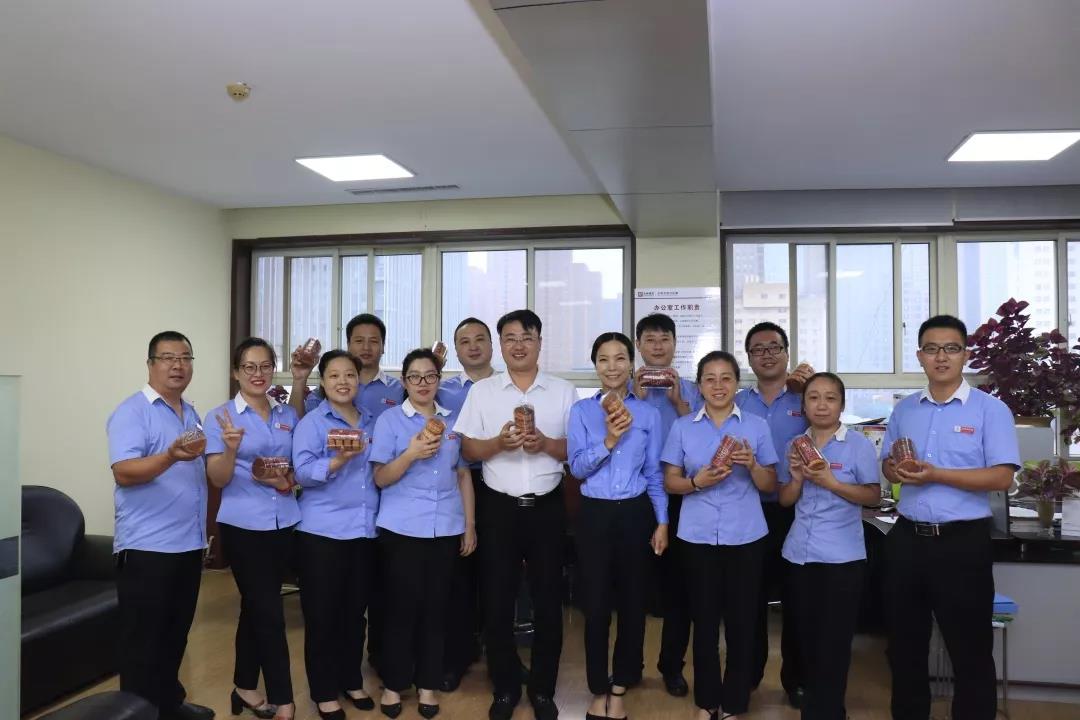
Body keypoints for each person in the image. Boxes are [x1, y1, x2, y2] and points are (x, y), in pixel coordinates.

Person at [882, 315, 1019, 720]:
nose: (941, 357)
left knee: (970, 650)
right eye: (931, 348)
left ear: (965, 355)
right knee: (904, 647)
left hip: (962, 544)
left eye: (951, 348)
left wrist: (936, 474)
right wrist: (894, 470)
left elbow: (1002, 477)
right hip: (907, 539)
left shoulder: (990, 410)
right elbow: (887, 465)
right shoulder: (905, 409)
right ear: (919, 356)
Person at [454, 309, 577, 720]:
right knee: (497, 601)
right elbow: (468, 449)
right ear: (501, 345)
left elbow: (576, 450)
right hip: (498, 508)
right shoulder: (483, 392)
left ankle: (542, 689)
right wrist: (497, 445)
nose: (518, 345)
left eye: (526, 337)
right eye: (510, 338)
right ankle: (505, 687)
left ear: (540, 342)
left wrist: (546, 444)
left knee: (548, 600)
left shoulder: (563, 391)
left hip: (547, 507)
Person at [661, 350, 778, 720]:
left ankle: (735, 703)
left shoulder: (755, 426)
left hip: (746, 537)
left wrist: (753, 465)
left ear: (736, 383)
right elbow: (670, 481)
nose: (718, 386)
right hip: (696, 537)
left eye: (726, 378)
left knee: (742, 623)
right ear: (699, 386)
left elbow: (770, 484)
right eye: (709, 379)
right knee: (704, 622)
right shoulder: (683, 427)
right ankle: (707, 700)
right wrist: (697, 482)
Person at [106, 330, 214, 720]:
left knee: (174, 635)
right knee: (142, 644)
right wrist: (169, 455)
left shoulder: (190, 413)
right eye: (168, 358)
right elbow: (124, 472)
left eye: (185, 358)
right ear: (151, 364)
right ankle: (137, 713)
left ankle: (168, 705)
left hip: (187, 544)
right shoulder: (132, 411)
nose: (177, 365)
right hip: (148, 547)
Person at [370, 348, 477, 719]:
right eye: (414, 377)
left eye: (430, 376)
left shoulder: (453, 422)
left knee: (436, 610)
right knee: (401, 611)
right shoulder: (389, 421)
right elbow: (380, 477)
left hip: (445, 527)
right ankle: (394, 684)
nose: (422, 383)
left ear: (439, 380)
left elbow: (462, 475)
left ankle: (428, 684)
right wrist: (411, 453)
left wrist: (469, 525)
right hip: (401, 528)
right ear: (404, 381)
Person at [568, 332, 668, 720]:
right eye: (604, 359)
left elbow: (654, 473)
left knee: (632, 603)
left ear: (631, 364)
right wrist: (609, 440)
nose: (612, 367)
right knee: (595, 606)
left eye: (620, 358)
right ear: (595, 365)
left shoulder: (648, 414)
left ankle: (621, 685)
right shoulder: (581, 412)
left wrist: (662, 521)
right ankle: (598, 688)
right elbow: (577, 468)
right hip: (594, 514)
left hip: (635, 513)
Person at [204, 337, 299, 720]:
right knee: (270, 612)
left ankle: (244, 686)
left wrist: (285, 480)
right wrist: (230, 449)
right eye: (249, 367)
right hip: (244, 526)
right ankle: (284, 699)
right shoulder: (221, 416)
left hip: (285, 521)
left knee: (256, 606)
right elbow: (218, 478)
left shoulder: (286, 414)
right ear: (236, 372)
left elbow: (295, 467)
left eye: (265, 366)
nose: (258, 374)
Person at [776, 372, 880, 720]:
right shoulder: (795, 444)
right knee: (803, 638)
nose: (821, 405)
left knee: (834, 643)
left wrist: (831, 482)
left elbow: (873, 496)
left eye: (830, 398)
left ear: (842, 405)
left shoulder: (858, 445)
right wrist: (797, 479)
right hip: (799, 555)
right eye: (814, 397)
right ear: (804, 405)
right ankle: (811, 707)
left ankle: (832, 711)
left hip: (842, 559)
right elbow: (786, 500)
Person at [292, 350, 380, 720]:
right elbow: (301, 472)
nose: (343, 382)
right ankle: (324, 691)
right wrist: (339, 459)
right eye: (334, 376)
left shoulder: (373, 420)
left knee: (355, 614)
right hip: (322, 532)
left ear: (359, 380)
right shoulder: (312, 423)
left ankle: (351, 679)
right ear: (323, 382)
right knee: (322, 615)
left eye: (349, 375)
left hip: (365, 530)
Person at [734, 321, 814, 707]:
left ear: (787, 352)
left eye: (774, 347)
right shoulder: (737, 402)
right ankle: (747, 677)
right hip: (748, 510)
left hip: (797, 510)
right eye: (758, 349)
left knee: (797, 598)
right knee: (748, 598)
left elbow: (831, 428)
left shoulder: (806, 398)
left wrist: (810, 390)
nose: (766, 355)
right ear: (748, 358)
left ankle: (796, 679)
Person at [632, 312, 702, 697]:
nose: (658, 346)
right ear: (639, 345)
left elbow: (705, 442)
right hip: (634, 496)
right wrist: (636, 402)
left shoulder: (694, 389)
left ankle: (671, 666)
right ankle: (629, 665)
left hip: (680, 497)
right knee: (633, 587)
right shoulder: (625, 389)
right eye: (650, 339)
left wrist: (679, 404)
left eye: (665, 339)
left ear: (676, 344)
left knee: (679, 588)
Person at [435, 317, 496, 691]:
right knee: (457, 574)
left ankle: (499, 659)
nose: (473, 346)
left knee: (497, 575)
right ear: (456, 350)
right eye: (464, 341)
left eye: (479, 339)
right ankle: (457, 656)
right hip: (455, 485)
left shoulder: (506, 387)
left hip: (498, 484)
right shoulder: (442, 390)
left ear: (491, 345)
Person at [289, 313, 404, 421]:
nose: (366, 347)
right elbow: (296, 424)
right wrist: (299, 379)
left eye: (373, 341)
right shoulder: (329, 389)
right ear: (348, 345)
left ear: (383, 347)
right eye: (359, 341)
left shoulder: (401, 390)